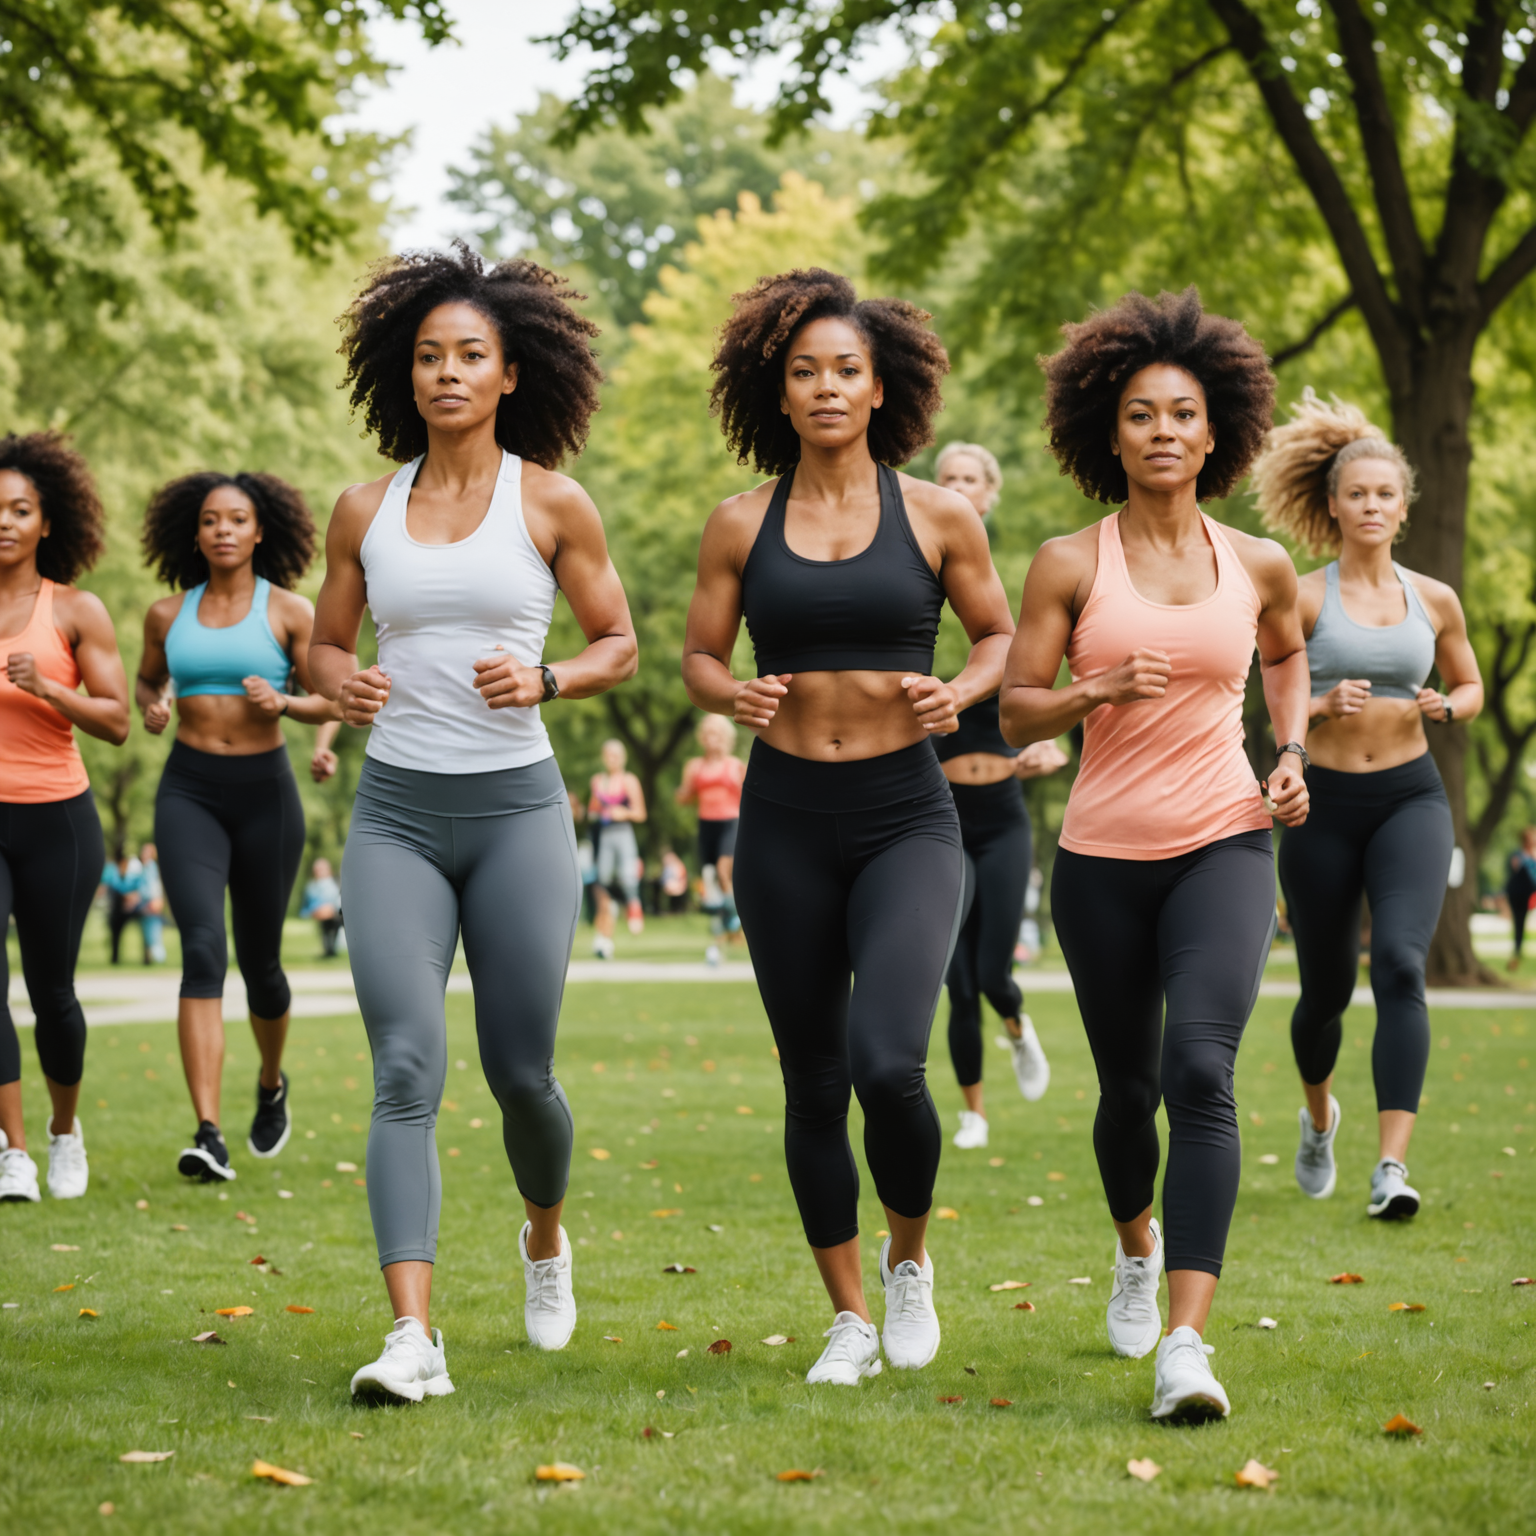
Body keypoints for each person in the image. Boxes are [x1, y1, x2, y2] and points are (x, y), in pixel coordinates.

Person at [310, 244, 637, 1402]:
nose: (447, 373)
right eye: (428, 357)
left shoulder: (549, 500)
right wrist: (339, 679)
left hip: (516, 814)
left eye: (470, 357)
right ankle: (414, 1337)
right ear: (404, 376)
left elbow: (620, 643)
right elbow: (327, 640)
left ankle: (543, 1234)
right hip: (397, 811)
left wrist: (548, 681)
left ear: (510, 375)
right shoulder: (365, 508)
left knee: (522, 1072)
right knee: (404, 1066)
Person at [682, 269, 1015, 1387]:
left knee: (888, 1065)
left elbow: (998, 639)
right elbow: (696, 656)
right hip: (779, 819)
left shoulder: (937, 515)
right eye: (804, 372)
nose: (826, 388)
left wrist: (958, 694)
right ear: (776, 393)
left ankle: (910, 1263)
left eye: (847, 371)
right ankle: (849, 1316)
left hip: (903, 817)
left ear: (883, 389)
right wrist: (731, 696)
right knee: (814, 1080)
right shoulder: (739, 522)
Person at [1000, 288, 1310, 1422]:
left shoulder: (1260, 562)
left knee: (1201, 1074)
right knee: (1129, 1093)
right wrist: (1094, 687)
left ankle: (1189, 1343)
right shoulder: (1067, 563)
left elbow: (1285, 657)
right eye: (1141, 415)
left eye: (1183, 413)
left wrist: (1294, 752)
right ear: (1109, 432)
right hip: (1100, 859)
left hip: (1225, 841)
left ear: (1216, 430)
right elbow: (1018, 712)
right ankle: (1136, 1245)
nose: (1164, 432)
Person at [1252, 392, 1483, 1219]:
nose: (1373, 506)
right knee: (1323, 992)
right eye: (1358, 494)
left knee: (1398, 966)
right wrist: (1318, 706)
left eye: (1386, 494)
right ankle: (1320, 1118)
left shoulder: (1437, 598)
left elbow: (1470, 681)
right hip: (1324, 803)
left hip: (1410, 798)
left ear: (1404, 505)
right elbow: (1266, 704)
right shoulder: (1304, 597)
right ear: (1334, 506)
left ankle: (1391, 1168)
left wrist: (1448, 708)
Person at [137, 470, 342, 1182]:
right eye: (210, 520)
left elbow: (331, 700)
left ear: (262, 532)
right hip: (188, 790)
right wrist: (154, 705)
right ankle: (209, 1132)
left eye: (237, 519)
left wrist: (293, 715)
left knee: (262, 966)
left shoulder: (289, 611)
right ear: (193, 535)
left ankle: (270, 1083)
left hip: (266, 796)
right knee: (201, 951)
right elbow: (145, 679)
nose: (223, 529)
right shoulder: (167, 614)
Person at [0, 431, 129, 1203]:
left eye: (20, 509)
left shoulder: (76, 610)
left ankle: (62, 1132)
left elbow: (116, 722)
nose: (4, 521)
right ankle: (12, 1150)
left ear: (48, 522)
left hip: (58, 821)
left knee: (53, 992)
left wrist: (49, 689)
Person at [932, 441, 1068, 1149]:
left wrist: (1048, 743)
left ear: (989, 496)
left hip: (1004, 818)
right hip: (939, 816)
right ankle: (974, 1112)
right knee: (955, 978)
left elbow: (1044, 706)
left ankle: (1016, 1025)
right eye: (945, 478)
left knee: (992, 973)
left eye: (969, 480)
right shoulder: (916, 597)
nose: (956, 488)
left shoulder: (1003, 602)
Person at [676, 714, 746, 962]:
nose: (710, 739)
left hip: (731, 823)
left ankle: (738, 918)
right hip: (706, 824)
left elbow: (750, 798)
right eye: (706, 734)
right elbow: (683, 799)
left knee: (723, 871)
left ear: (725, 737)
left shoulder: (735, 765)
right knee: (711, 882)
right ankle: (722, 933)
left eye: (715, 734)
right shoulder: (694, 766)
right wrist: (685, 790)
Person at [588, 738, 647, 953]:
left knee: (627, 877)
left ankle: (634, 906)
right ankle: (604, 932)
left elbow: (641, 814)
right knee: (602, 881)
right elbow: (592, 811)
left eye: (616, 755)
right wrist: (595, 813)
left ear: (622, 758)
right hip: (605, 835)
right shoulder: (597, 781)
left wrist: (624, 813)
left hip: (623, 833)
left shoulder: (629, 780)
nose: (611, 759)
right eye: (608, 755)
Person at [100, 850, 146, 965]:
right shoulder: (113, 874)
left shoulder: (134, 875)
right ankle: (115, 958)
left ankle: (146, 958)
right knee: (115, 932)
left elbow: (140, 890)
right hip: (117, 910)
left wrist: (131, 899)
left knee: (144, 928)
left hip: (133, 908)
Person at [299, 857, 344, 958]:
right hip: (320, 915)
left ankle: (331, 949)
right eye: (317, 869)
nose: (319, 872)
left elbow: (341, 901)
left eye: (322, 869)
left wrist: (331, 909)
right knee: (326, 929)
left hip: (336, 915)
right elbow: (306, 907)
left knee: (333, 926)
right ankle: (329, 950)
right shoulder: (310, 887)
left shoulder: (336, 883)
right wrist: (314, 911)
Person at [1506, 829, 1536, 972]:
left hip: (1528, 895)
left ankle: (1518, 949)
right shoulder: (1517, 856)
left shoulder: (1532, 857)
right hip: (1516, 894)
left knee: (1521, 922)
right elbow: (1514, 871)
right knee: (1518, 921)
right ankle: (1517, 949)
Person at [138, 842, 166, 964]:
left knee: (153, 933)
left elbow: (154, 887)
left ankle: (159, 958)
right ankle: (149, 959)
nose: (144, 854)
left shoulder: (151, 867)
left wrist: (155, 901)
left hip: (151, 903)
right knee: (147, 933)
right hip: (145, 903)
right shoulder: (144, 867)